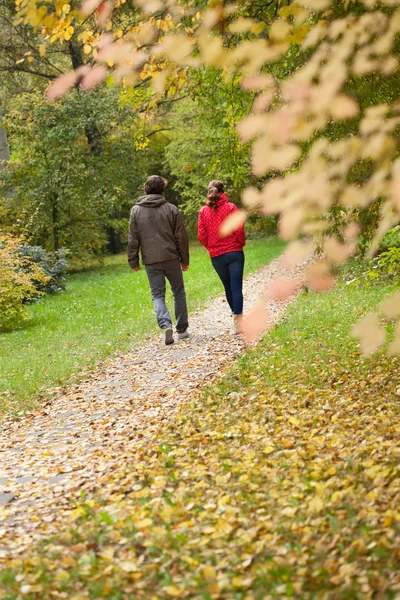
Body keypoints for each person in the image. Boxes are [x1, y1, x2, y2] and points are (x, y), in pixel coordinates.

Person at [128, 175, 190, 346]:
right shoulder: (171, 209)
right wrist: (184, 259)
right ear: (162, 189)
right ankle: (182, 330)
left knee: (157, 294)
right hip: (171, 257)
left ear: (146, 188)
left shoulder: (136, 211)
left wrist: (133, 260)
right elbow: (181, 237)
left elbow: (133, 238)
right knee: (178, 291)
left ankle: (165, 325)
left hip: (151, 260)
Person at [198, 180, 246, 333]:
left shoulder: (203, 211)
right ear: (223, 191)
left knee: (228, 287)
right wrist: (240, 243)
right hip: (234, 252)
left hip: (217, 256)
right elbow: (239, 229)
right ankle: (238, 322)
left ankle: (235, 316)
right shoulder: (231, 208)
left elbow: (201, 235)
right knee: (236, 287)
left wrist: (211, 247)